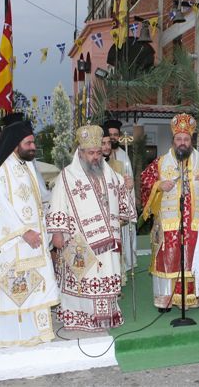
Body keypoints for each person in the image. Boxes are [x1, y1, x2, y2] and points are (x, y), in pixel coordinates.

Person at [0, 119, 59, 350]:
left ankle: (34, 332)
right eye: (28, 143)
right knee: (14, 289)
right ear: (15, 144)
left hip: (33, 241)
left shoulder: (27, 166)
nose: (33, 147)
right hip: (12, 242)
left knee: (34, 286)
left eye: (33, 142)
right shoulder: (2, 170)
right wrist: (23, 231)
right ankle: (12, 336)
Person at [46, 125, 137, 331]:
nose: (95, 157)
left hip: (107, 241)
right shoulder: (67, 176)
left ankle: (106, 316)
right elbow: (58, 204)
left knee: (103, 277)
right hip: (78, 239)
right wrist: (58, 233)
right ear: (81, 152)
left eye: (98, 152)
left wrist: (126, 186)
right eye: (91, 153)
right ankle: (79, 317)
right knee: (83, 277)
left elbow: (121, 195)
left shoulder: (110, 173)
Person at [141, 113, 199, 311]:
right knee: (168, 259)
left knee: (193, 258)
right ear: (173, 140)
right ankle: (166, 299)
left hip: (195, 223)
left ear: (191, 140)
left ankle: (192, 298)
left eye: (186, 139)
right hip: (169, 222)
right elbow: (145, 181)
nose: (182, 143)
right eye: (179, 139)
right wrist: (159, 185)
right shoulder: (161, 163)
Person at [102, 119, 137, 274]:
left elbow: (128, 182)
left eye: (116, 135)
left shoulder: (123, 155)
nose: (113, 139)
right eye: (110, 136)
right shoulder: (98, 158)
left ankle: (125, 266)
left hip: (119, 207)